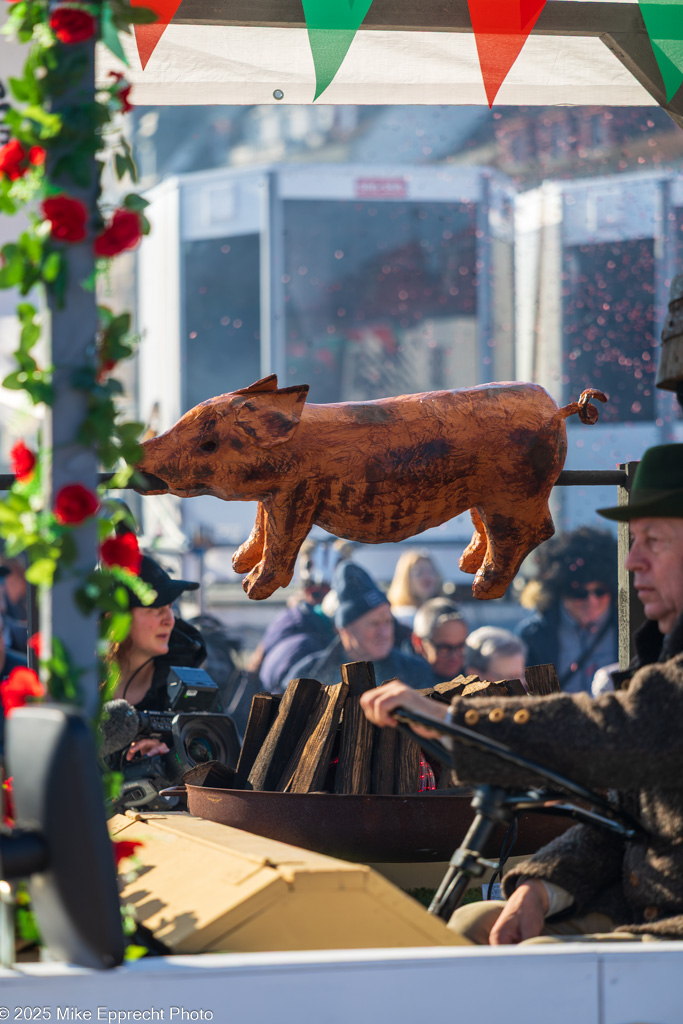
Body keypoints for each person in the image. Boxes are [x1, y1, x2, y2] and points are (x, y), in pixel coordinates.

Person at [360, 443, 683, 944]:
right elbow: (621, 819)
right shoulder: (659, 653)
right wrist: (538, 887)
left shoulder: (664, 681)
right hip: (640, 907)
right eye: (633, 540)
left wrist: (455, 720)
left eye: (654, 541)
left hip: (667, 928)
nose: (633, 562)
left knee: (532, 958)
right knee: (472, 925)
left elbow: (621, 728)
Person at [107, 555, 206, 761]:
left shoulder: (186, 687)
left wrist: (169, 758)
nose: (169, 620)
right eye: (155, 608)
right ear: (116, 618)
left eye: (170, 607)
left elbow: (213, 754)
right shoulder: (80, 683)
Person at [289, 561, 437, 689]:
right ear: (344, 629)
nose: (384, 632)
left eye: (388, 621)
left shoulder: (415, 672)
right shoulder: (308, 675)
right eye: (374, 624)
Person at [517, 526, 618, 693]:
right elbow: (539, 699)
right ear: (560, 591)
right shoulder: (534, 636)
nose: (591, 600)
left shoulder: (631, 629)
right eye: (579, 593)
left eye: (600, 591)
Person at [252, 539, 335, 695]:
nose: (319, 600)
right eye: (315, 593)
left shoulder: (290, 617)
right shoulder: (294, 623)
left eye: (325, 593)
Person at [412, 598, 469, 683]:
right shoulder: (403, 682)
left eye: (461, 647)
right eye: (445, 649)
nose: (455, 657)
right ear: (419, 642)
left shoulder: (477, 675)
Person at [387, 550, 443, 629]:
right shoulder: (400, 618)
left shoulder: (442, 614)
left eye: (431, 571)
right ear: (405, 580)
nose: (427, 577)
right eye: (419, 572)